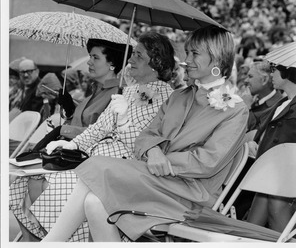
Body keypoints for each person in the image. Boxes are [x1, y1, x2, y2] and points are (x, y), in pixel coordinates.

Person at [41, 25, 249, 242]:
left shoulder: (235, 110)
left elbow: (208, 162)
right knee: (94, 203)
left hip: (192, 194)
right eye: (187, 52)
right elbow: (146, 135)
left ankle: (50, 242)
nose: (186, 59)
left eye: (194, 53)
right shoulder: (179, 96)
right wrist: (153, 152)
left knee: (96, 165)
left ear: (217, 59)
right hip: (155, 178)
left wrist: (161, 159)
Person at [9, 31, 175, 242]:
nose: (131, 59)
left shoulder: (167, 97)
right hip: (96, 161)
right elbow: (98, 129)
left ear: (156, 62)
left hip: (124, 168)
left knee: (53, 183)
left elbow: (144, 145)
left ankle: (53, 240)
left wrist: (123, 120)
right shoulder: (130, 91)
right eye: (132, 54)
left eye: (138, 55)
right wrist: (71, 145)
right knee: (34, 179)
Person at [246, 53, 296, 232]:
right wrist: (254, 141)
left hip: (287, 176)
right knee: (252, 227)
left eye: (274, 70)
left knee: (275, 209)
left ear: (287, 72)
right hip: (269, 173)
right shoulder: (283, 102)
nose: (271, 75)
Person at [243, 61, 284, 131]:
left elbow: (252, 132)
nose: (246, 80)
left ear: (264, 80)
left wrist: (246, 107)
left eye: (250, 76)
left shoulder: (278, 107)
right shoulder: (256, 99)